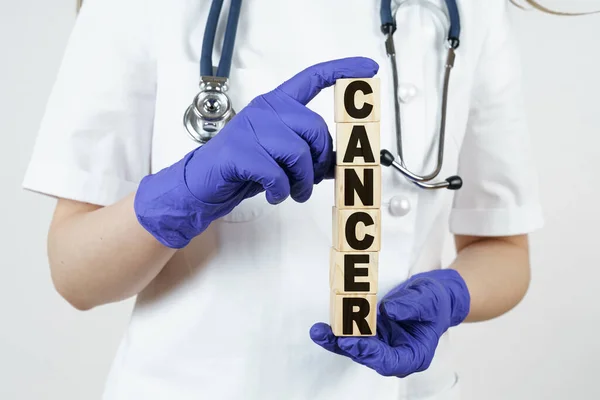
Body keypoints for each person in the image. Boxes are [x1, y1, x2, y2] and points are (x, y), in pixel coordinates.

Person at [23, 0, 546, 399]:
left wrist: (452, 296)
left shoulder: (467, 10)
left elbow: (502, 247)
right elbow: (76, 275)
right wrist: (183, 192)